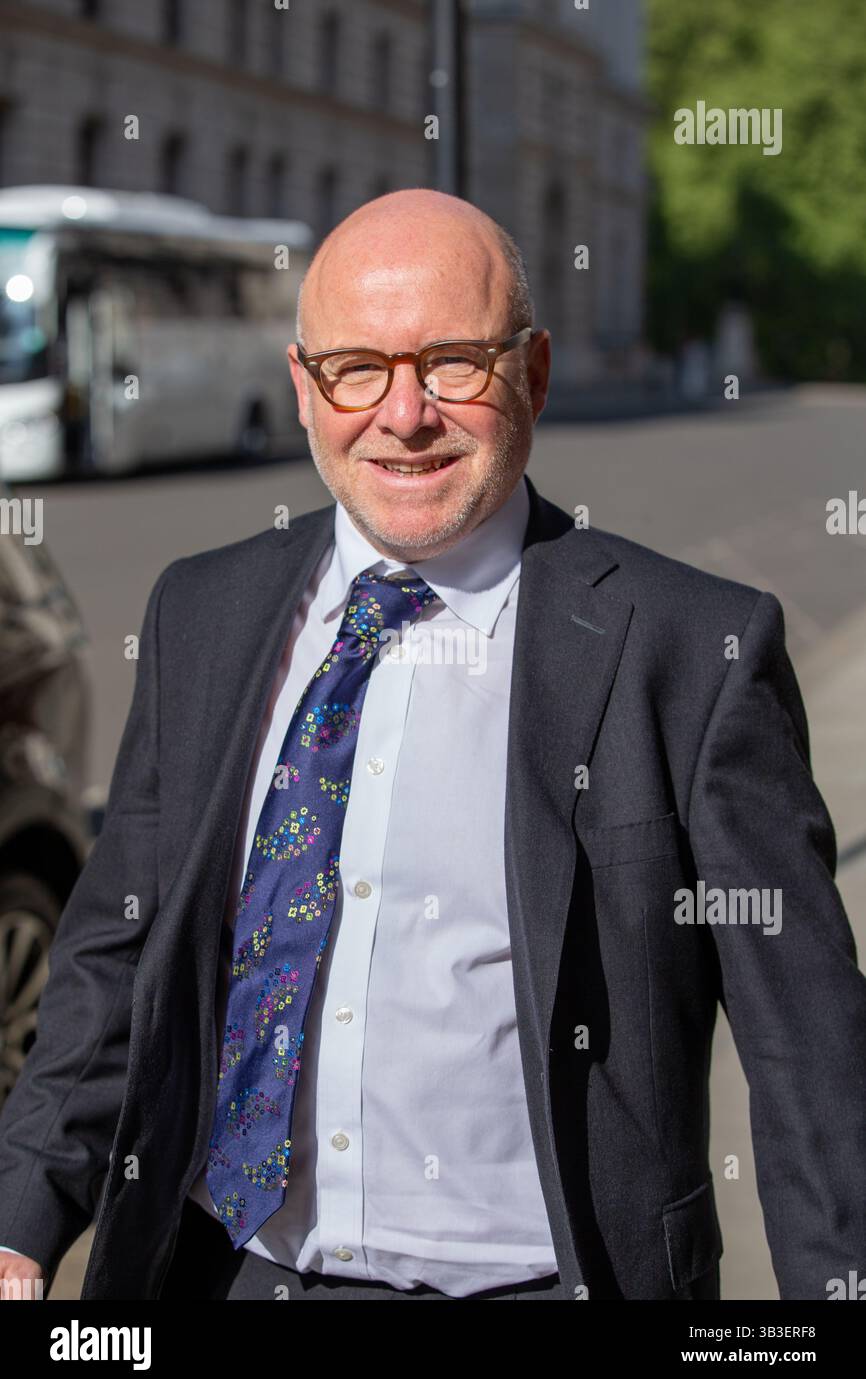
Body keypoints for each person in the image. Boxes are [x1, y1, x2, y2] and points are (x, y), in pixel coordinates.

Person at [1, 188, 864, 1301]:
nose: (403, 415)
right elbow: (117, 959)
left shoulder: (691, 647)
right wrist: (22, 1219)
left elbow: (809, 1054)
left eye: (453, 362)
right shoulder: (201, 612)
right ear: (305, 387)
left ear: (534, 374)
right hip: (227, 1273)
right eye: (356, 368)